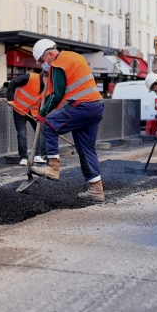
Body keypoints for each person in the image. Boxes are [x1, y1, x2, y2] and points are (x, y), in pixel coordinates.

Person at [29, 39, 106, 202]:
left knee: (49, 125)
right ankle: (96, 189)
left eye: (42, 61)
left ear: (49, 54)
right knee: (86, 149)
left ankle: (53, 167)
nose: (43, 64)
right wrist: (48, 74)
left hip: (81, 105)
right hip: (96, 105)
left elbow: (57, 95)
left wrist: (43, 113)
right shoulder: (73, 57)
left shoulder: (58, 64)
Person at [5, 72, 47, 165]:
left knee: (39, 131)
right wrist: (10, 99)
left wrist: (43, 114)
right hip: (19, 109)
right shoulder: (30, 77)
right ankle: (23, 157)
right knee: (22, 133)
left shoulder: (48, 86)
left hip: (34, 112)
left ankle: (37, 155)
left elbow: (44, 100)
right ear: (44, 75)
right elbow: (12, 83)